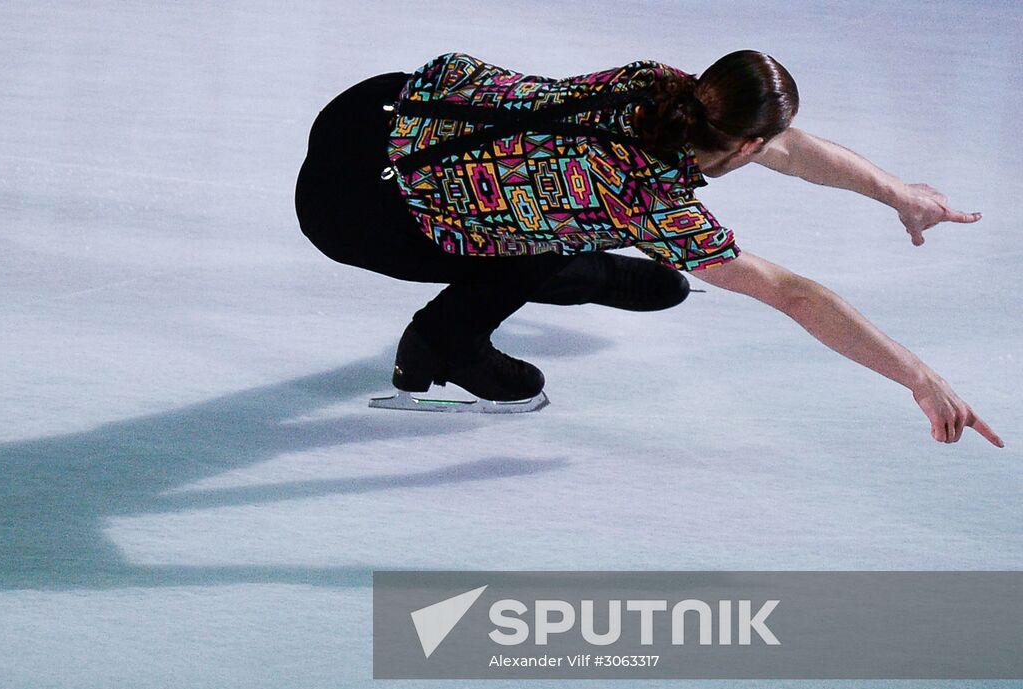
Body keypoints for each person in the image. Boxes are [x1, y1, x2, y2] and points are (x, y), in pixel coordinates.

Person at [294, 51, 1003, 446]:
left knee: (556, 205)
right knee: (557, 218)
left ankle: (581, 263)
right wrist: (919, 375)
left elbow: (788, 151)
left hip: (381, 107)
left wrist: (898, 193)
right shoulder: (648, 199)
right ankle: (441, 342)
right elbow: (793, 294)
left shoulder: (662, 88)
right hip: (358, 207)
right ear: (744, 145)